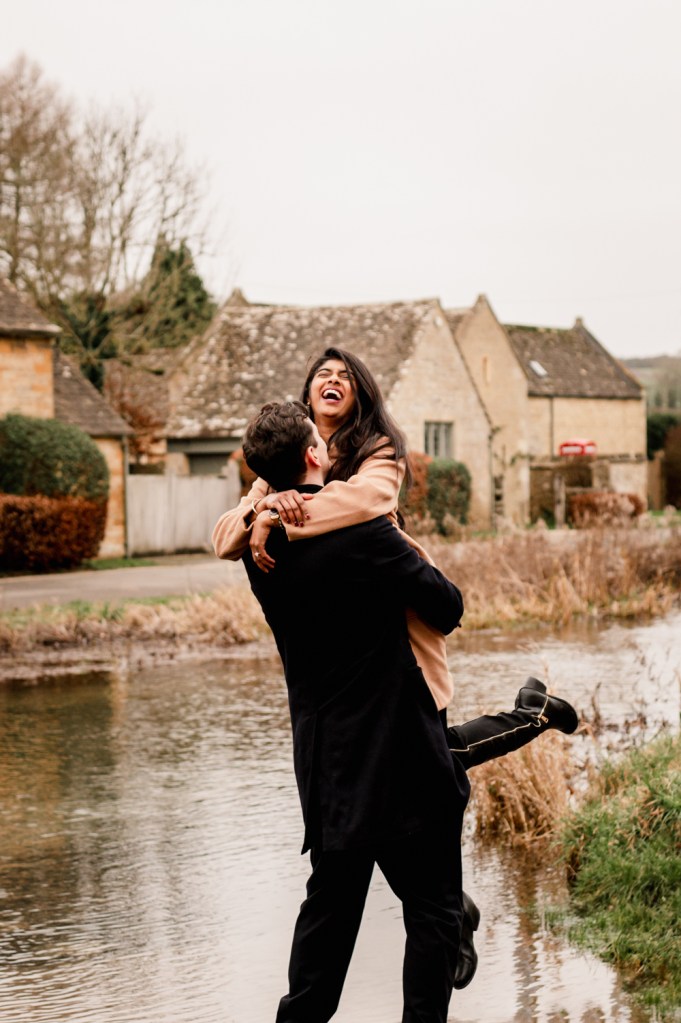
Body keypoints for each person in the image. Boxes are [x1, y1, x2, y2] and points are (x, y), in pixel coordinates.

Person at [212, 347, 578, 767]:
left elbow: (363, 503)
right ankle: (533, 712)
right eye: (324, 374)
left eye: (345, 376)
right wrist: (262, 507)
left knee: (429, 751)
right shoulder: (285, 454)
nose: (333, 380)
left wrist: (281, 513)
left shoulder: (379, 450)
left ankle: (533, 714)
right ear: (308, 393)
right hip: (338, 646)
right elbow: (225, 537)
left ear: (360, 394)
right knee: (426, 756)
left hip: (390, 610)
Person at [237, 400, 470, 1022]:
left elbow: (243, 522)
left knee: (328, 928)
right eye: (322, 440)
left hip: (327, 770)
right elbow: (447, 606)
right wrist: (394, 534)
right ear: (315, 455)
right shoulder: (367, 535)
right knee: (434, 911)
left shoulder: (260, 546)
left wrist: (263, 504)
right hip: (402, 762)